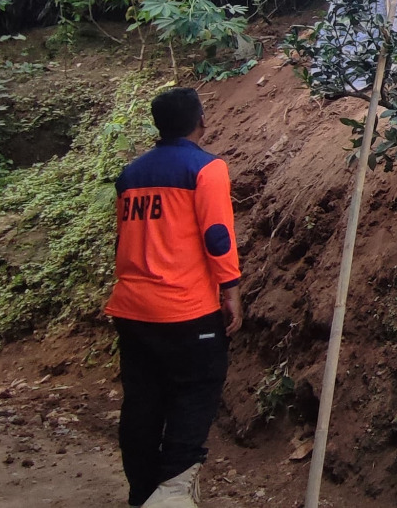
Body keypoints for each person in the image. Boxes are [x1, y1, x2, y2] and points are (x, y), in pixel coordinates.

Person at [105, 87, 242, 508]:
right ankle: (173, 493)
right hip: (185, 310)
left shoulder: (130, 175)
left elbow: (124, 240)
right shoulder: (207, 169)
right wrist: (231, 288)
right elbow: (217, 236)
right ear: (200, 120)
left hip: (132, 310)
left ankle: (143, 493)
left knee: (143, 403)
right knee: (195, 393)